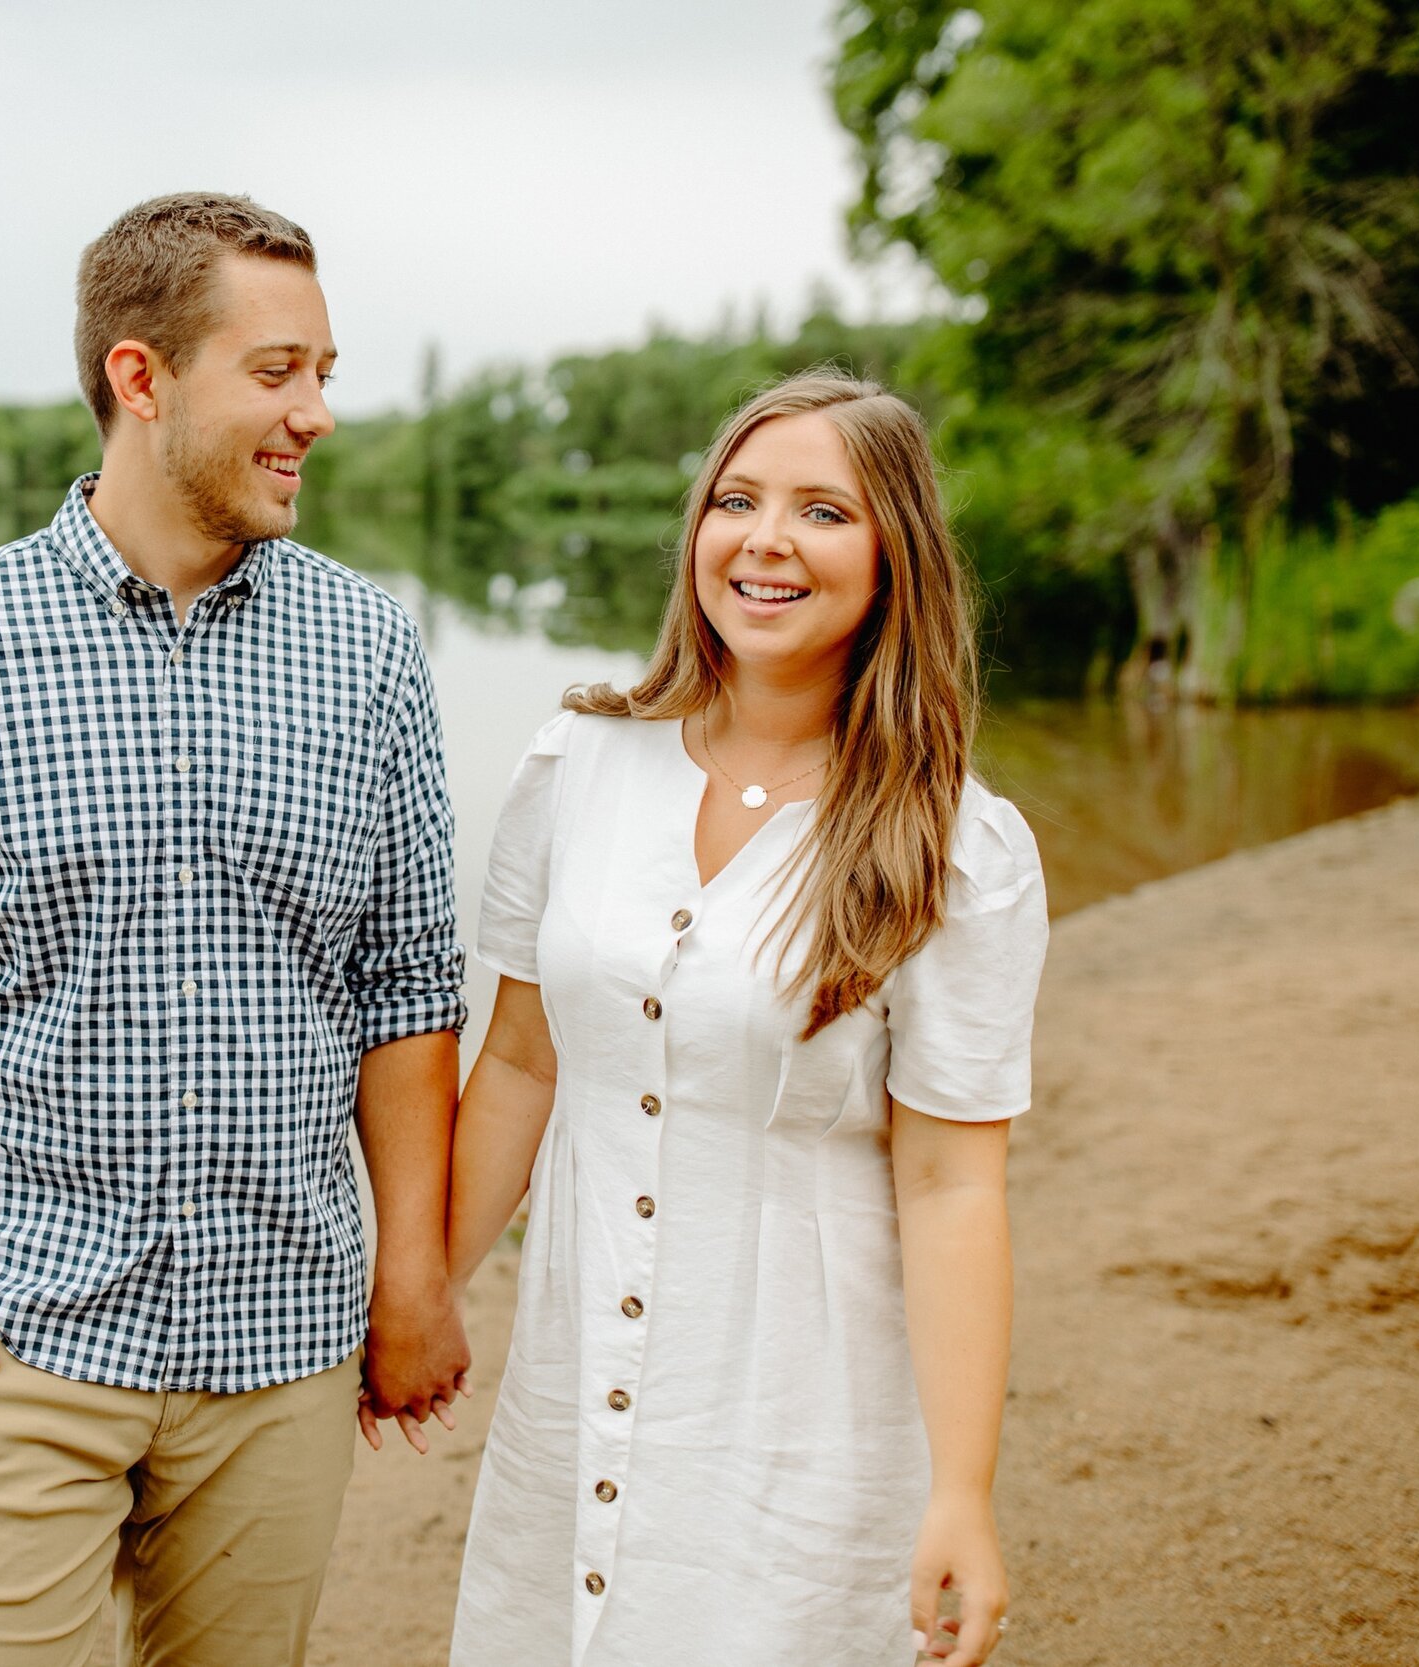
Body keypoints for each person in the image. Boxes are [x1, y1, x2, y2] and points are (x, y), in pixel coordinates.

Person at [0, 192, 471, 1667]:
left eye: (326, 373)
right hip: (7, 1337)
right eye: (277, 372)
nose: (317, 415)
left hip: (281, 1347)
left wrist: (412, 1274)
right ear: (140, 380)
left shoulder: (372, 651)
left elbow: (407, 983)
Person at [444, 372, 1048, 1667]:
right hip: (569, 1392)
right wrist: (415, 1299)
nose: (765, 539)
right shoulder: (576, 765)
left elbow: (951, 1185)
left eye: (823, 510)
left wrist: (962, 1492)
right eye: (737, 500)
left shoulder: (959, 848)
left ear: (896, 560)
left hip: (800, 1424)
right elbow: (513, 1068)